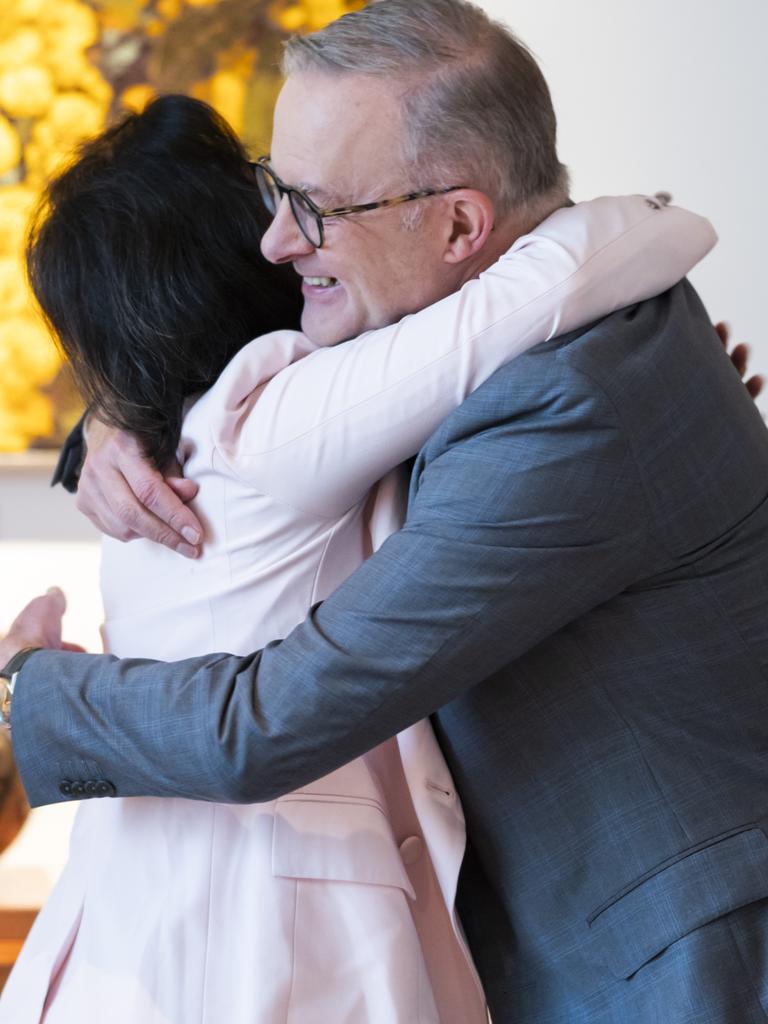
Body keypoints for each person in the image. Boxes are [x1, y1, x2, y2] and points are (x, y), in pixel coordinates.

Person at [2, 1, 767, 1021]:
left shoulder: (568, 401)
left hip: (672, 961)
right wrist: (109, 426)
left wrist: (36, 691)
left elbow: (270, 719)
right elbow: (278, 382)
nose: (277, 241)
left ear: (459, 224)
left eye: (314, 206)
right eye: (272, 192)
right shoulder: (478, 343)